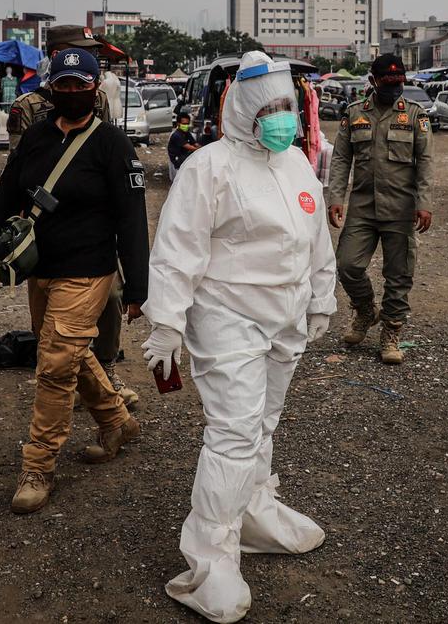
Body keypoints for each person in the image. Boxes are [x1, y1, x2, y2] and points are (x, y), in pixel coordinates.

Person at [143, 50, 336, 623]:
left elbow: (315, 236)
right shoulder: (209, 167)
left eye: (288, 107)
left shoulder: (298, 164)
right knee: (233, 431)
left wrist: (322, 297)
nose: (283, 117)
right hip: (227, 316)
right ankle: (210, 559)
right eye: (271, 107)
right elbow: (178, 251)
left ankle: (254, 511)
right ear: (246, 108)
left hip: (286, 315)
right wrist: (166, 322)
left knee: (264, 421)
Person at [0, 48, 150, 514]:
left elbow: (132, 220)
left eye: (80, 86)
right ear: (51, 88)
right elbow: (3, 199)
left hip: (89, 271)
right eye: (62, 85)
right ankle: (116, 419)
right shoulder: (36, 138)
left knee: (55, 365)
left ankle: (38, 466)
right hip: (40, 271)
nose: (71, 93)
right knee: (66, 352)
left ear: (95, 88)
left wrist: (139, 287)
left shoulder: (113, 146)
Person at [7, 25, 135, 407]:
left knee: (111, 297)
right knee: (52, 327)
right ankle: (89, 392)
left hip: (94, 227)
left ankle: (106, 372)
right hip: (48, 230)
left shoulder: (98, 101)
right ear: (61, 52)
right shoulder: (28, 107)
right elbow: (19, 172)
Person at [327, 54, 433, 364]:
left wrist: (424, 202)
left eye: (399, 82)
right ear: (373, 81)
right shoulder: (354, 113)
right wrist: (336, 197)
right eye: (388, 83)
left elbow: (425, 163)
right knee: (347, 265)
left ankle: (391, 332)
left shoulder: (415, 115)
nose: (395, 88)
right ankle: (365, 310)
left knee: (399, 275)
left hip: (402, 208)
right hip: (363, 205)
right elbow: (341, 159)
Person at [167, 111, 199, 180]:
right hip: (177, 161)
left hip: (184, 156)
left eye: (187, 124)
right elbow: (190, 147)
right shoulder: (176, 135)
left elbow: (195, 144)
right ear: (178, 124)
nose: (186, 126)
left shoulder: (186, 133)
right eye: (184, 124)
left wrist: (203, 148)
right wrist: (204, 150)